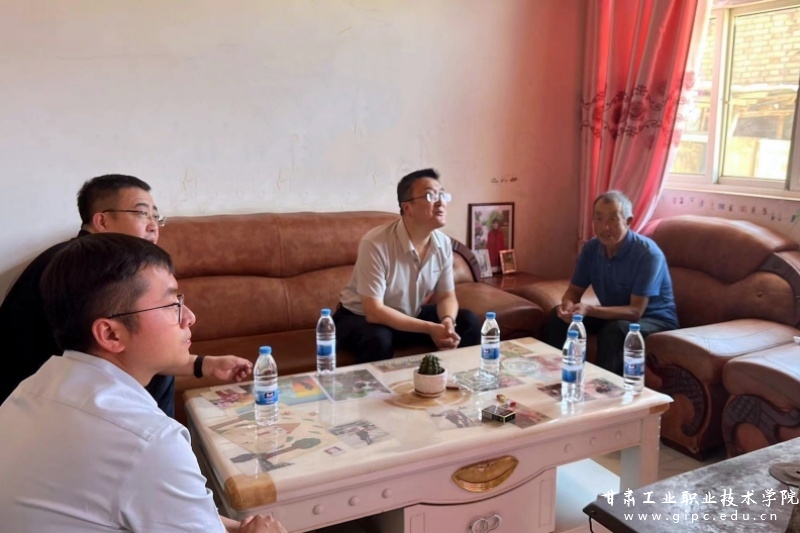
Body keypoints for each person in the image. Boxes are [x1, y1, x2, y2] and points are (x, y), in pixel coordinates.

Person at [0, 234, 285, 532]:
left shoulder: (35, 388)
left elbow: (162, 506)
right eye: (171, 304)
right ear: (111, 334)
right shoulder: (148, 442)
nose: (189, 316)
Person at [0, 174, 252, 415]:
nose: (153, 226)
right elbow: (125, 352)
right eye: (142, 213)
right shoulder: (88, 271)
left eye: (156, 216)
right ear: (102, 221)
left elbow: (128, 348)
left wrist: (205, 364)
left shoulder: (78, 261)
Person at [334, 168, 481, 362]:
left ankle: (450, 377)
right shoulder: (376, 243)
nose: (441, 202)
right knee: (377, 338)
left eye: (442, 195)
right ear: (407, 208)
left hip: (408, 315)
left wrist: (447, 322)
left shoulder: (443, 243)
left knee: (468, 321)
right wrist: (430, 328)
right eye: (431, 195)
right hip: (359, 318)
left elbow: (446, 296)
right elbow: (374, 311)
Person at [543, 190, 679, 375]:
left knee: (614, 330)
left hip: (654, 320)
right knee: (557, 317)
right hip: (615, 315)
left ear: (628, 221)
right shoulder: (591, 248)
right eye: (598, 219)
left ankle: (603, 388)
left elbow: (635, 311)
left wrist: (589, 309)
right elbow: (574, 290)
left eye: (613, 219)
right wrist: (567, 307)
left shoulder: (647, 254)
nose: (605, 227)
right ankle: (552, 376)